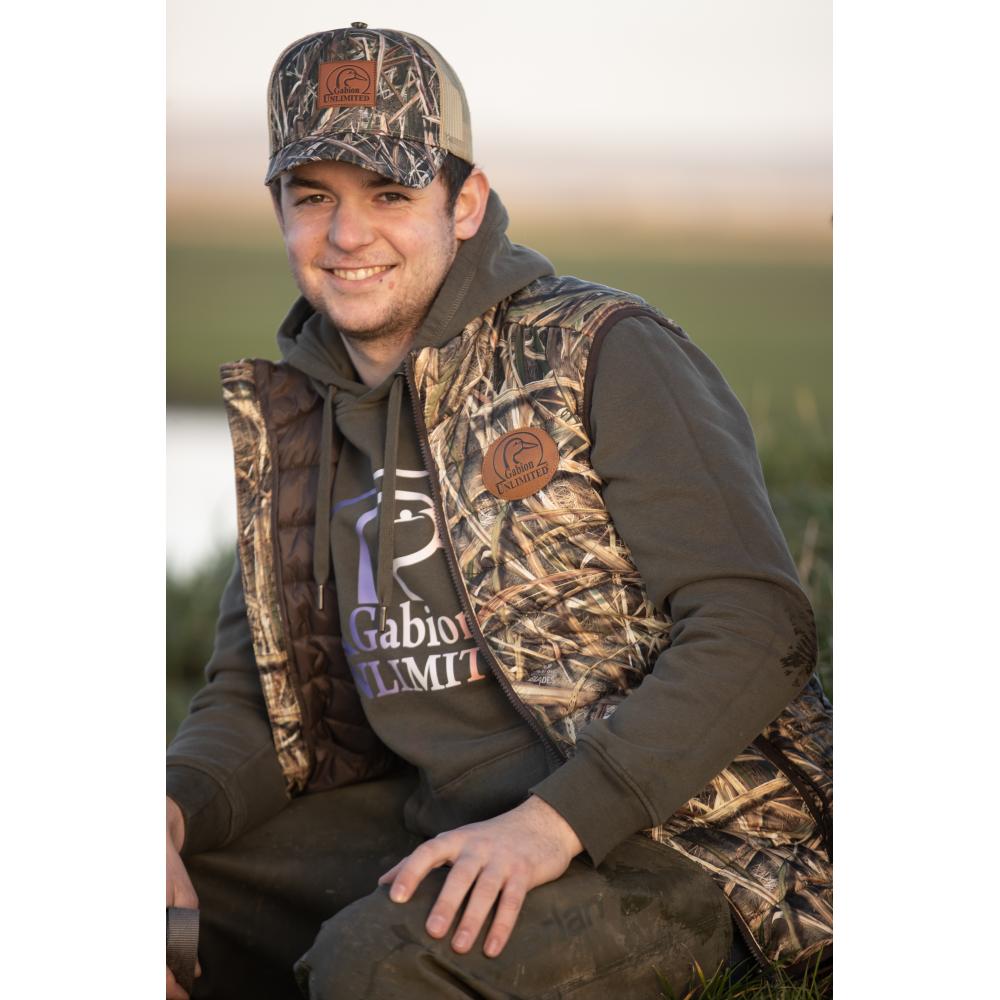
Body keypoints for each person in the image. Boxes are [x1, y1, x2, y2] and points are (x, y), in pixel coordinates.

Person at [166, 22, 832, 1000]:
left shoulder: (601, 351)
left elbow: (758, 626)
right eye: (313, 197)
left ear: (466, 202)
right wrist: (171, 808)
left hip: (683, 847)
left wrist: (557, 821)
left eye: (389, 194)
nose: (347, 235)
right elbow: (262, 700)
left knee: (378, 971)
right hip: (438, 819)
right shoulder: (298, 417)